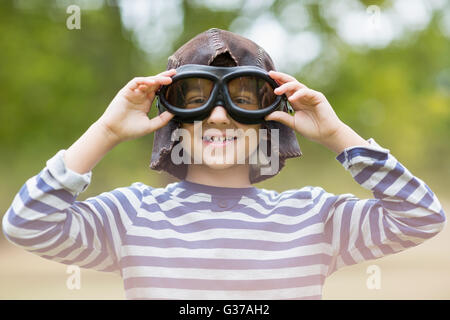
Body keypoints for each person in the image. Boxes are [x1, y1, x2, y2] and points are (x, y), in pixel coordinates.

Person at [2, 28, 446, 300]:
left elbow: (421, 217)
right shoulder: (133, 217)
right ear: (171, 121)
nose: (217, 115)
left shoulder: (311, 219)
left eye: (242, 100)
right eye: (195, 101)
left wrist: (335, 134)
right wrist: (106, 131)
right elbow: (26, 223)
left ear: (270, 117)